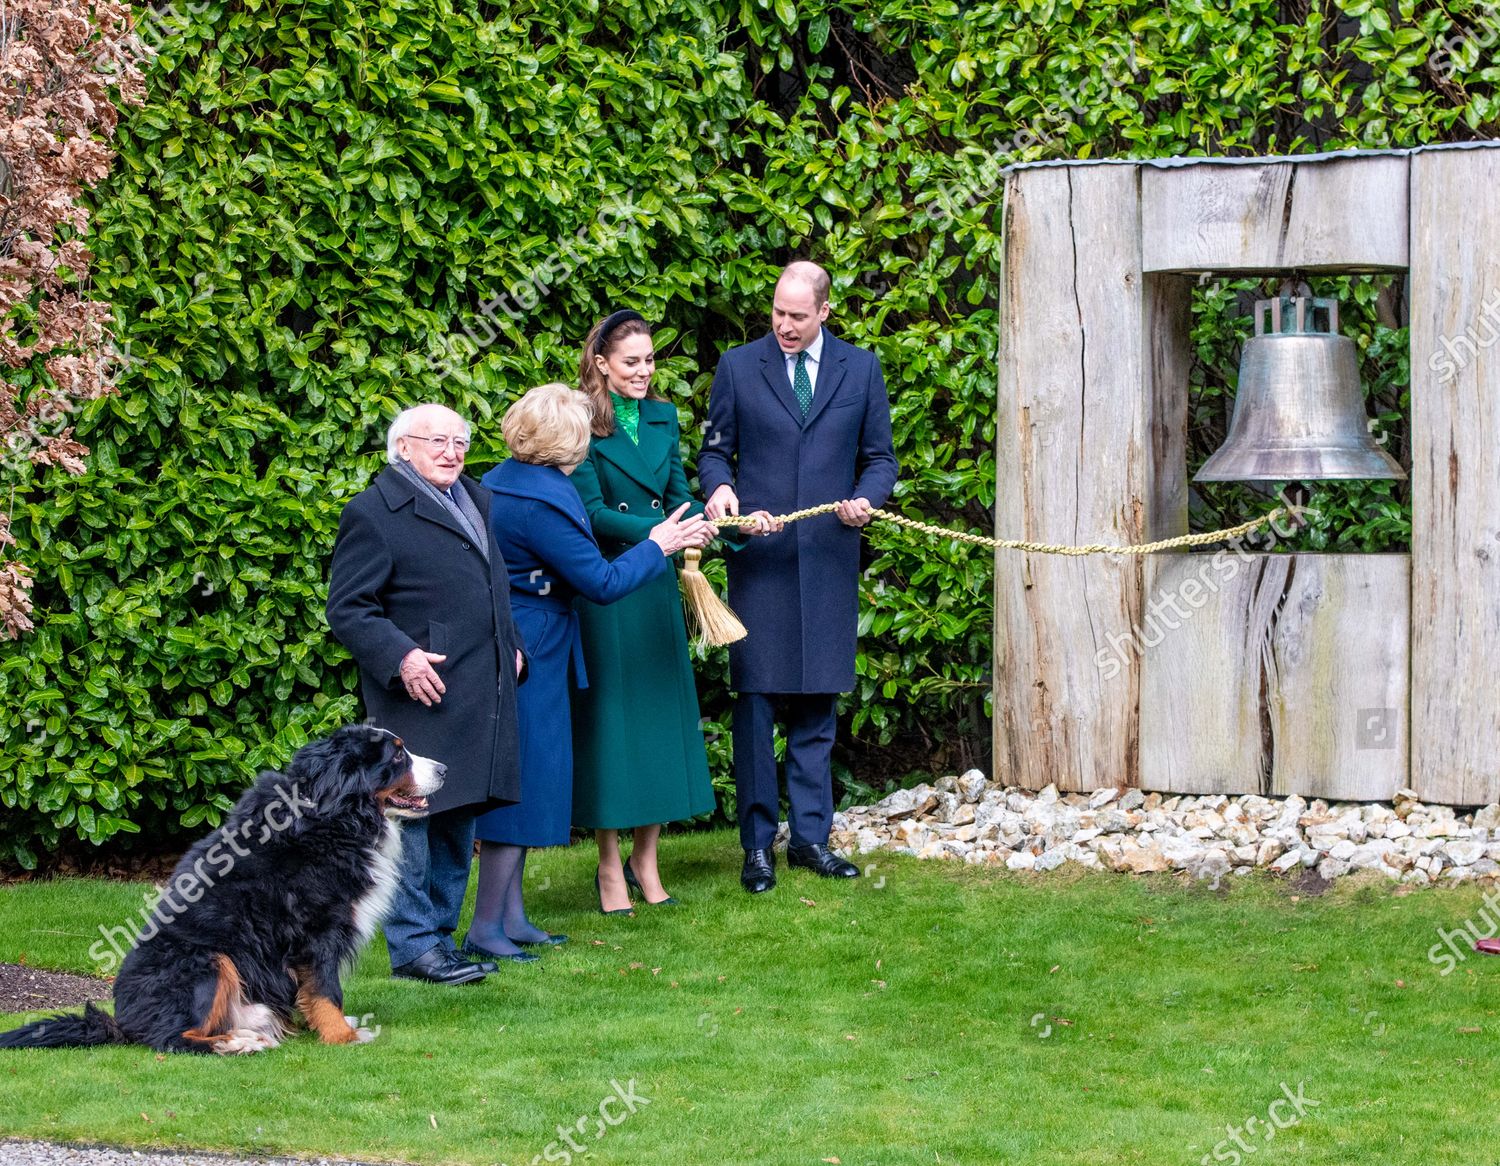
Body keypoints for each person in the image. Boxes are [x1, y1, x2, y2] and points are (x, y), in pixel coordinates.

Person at [465, 384, 714, 954]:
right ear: (567, 439)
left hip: (528, 638)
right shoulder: (545, 499)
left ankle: (514, 918)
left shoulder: (507, 477)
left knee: (528, 776)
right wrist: (658, 544)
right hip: (537, 645)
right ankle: (485, 927)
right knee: (520, 785)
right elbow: (601, 584)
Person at [698, 261, 898, 893]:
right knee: (756, 707)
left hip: (829, 559)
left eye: (797, 316)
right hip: (760, 562)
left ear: (824, 313)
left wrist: (866, 499)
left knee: (818, 706)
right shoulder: (737, 366)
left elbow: (880, 458)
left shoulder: (861, 370)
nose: (783, 326)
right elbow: (713, 452)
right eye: (777, 314)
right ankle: (757, 848)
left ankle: (811, 839)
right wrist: (723, 489)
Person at [326, 403, 527, 985]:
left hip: (474, 689)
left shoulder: (476, 499)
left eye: (460, 441)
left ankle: (440, 938)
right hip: (419, 693)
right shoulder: (373, 512)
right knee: (413, 820)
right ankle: (414, 946)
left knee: (458, 811)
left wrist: (513, 645)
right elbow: (348, 607)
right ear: (403, 448)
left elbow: (496, 588)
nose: (451, 451)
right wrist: (401, 656)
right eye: (436, 440)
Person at [570, 310, 721, 913]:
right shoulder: (579, 420)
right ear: (602, 364)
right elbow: (589, 513)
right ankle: (609, 867)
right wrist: (660, 532)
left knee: (657, 726)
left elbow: (680, 491)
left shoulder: (663, 415)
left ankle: (646, 860)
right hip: (609, 587)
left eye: (650, 359)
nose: (644, 370)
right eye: (631, 361)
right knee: (614, 730)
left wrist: (709, 522)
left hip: (656, 588)